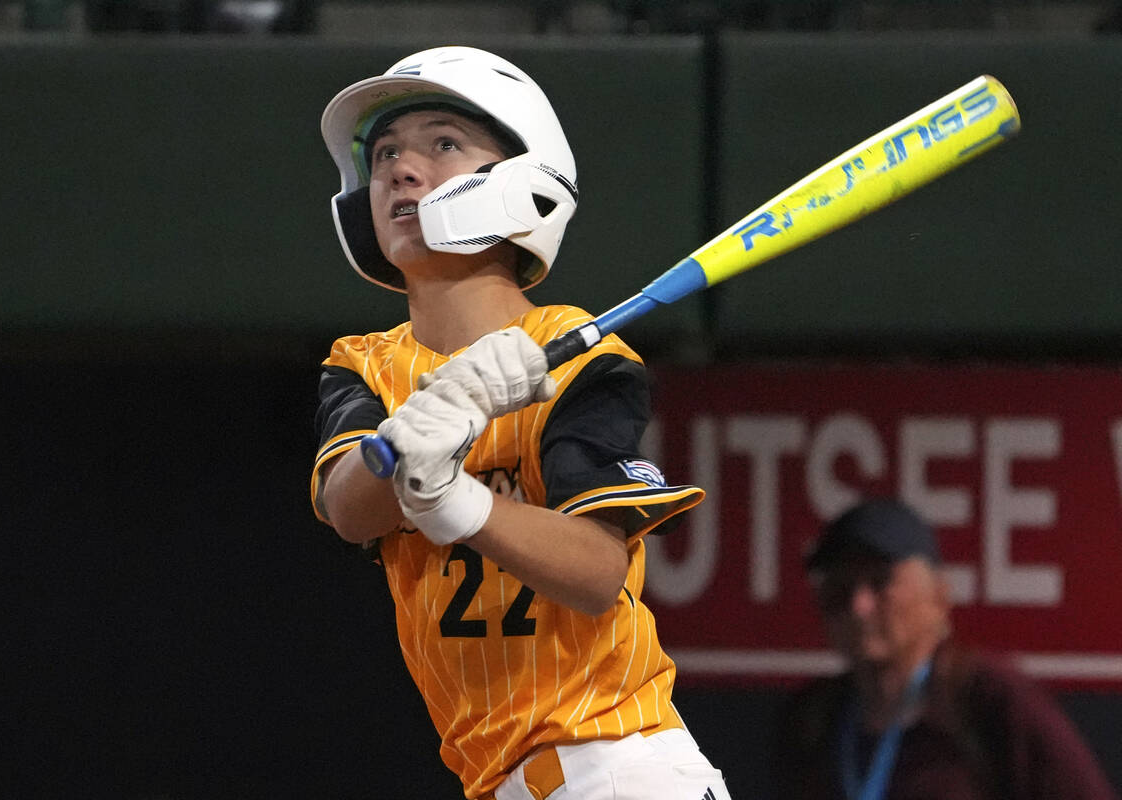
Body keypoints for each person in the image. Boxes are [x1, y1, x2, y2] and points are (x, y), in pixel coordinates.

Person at [309, 46, 732, 800]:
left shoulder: (582, 356)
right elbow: (347, 508)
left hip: (616, 764)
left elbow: (599, 575)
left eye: (443, 144)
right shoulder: (364, 364)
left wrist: (457, 503)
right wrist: (421, 427)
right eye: (384, 155)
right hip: (504, 782)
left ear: (520, 177)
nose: (403, 170)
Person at [773, 497, 1119, 800]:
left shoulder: (988, 700)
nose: (859, 606)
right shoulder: (815, 719)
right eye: (839, 588)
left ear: (939, 594)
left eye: (881, 582)